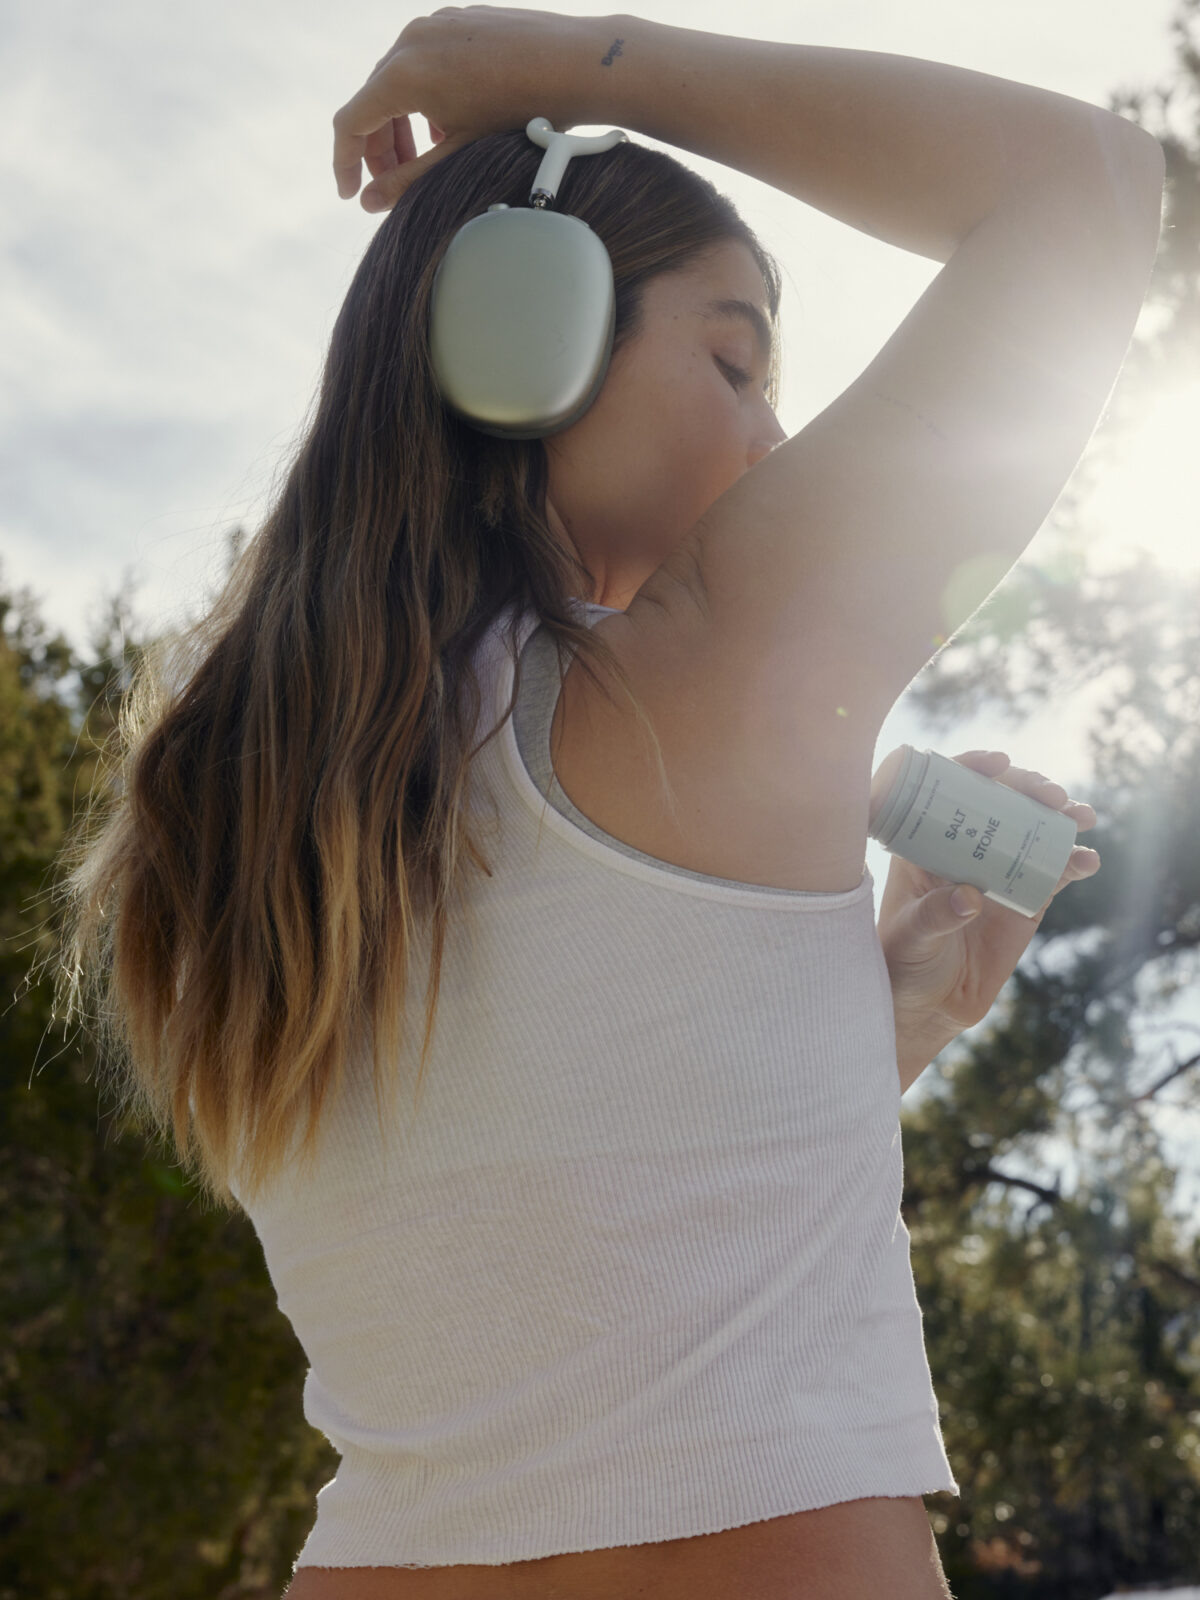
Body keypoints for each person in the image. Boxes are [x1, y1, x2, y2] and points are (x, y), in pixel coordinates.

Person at [54, 8, 1162, 1598]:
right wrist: (571, 63)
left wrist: (875, 1040)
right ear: (524, 331)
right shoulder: (714, 665)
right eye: (732, 356)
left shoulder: (240, 814)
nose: (773, 433)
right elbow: (1093, 187)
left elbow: (547, 1232)